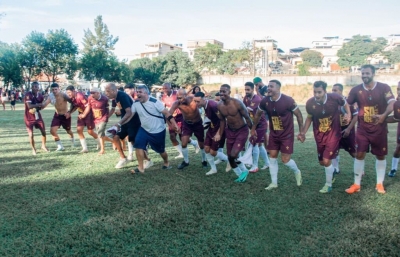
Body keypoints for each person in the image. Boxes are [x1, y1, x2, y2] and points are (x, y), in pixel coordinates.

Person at [345, 65, 395, 194]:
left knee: (380, 155)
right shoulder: (356, 90)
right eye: (362, 73)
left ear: (373, 74)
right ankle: (356, 184)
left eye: (367, 73)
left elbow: (392, 103)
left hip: (379, 129)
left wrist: (383, 116)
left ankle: (379, 184)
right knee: (360, 155)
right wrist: (348, 113)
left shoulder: (384, 87)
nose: (364, 76)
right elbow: (347, 102)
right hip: (362, 129)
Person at [251, 79, 304, 190]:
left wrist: (301, 131)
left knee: (285, 160)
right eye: (268, 86)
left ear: (278, 88)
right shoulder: (265, 101)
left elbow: (299, 115)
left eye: (271, 86)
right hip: (274, 134)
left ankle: (297, 172)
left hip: (287, 135)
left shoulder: (288, 100)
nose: (268, 88)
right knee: (272, 157)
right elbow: (257, 114)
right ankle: (274, 183)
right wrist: (253, 129)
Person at [300, 81, 350, 193]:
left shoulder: (335, 98)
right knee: (322, 162)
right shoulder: (310, 103)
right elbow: (309, 118)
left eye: (319, 92)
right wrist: (303, 132)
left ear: (325, 91)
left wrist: (348, 114)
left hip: (333, 134)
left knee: (327, 160)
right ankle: (331, 173)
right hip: (319, 136)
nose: (316, 95)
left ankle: (328, 185)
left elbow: (345, 103)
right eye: (315, 92)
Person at [129, 85, 179, 173]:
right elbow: (130, 115)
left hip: (158, 130)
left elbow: (167, 113)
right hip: (144, 129)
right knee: (138, 145)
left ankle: (166, 162)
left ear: (146, 93)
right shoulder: (136, 103)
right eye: (137, 92)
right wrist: (120, 123)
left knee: (160, 150)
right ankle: (141, 167)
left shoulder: (155, 102)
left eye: (140, 92)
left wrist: (174, 124)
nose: (138, 94)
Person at [215, 84, 253, 183]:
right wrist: (219, 133)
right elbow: (222, 121)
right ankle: (241, 174)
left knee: (233, 155)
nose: (222, 93)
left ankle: (244, 172)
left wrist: (253, 131)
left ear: (229, 92)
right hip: (230, 131)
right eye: (221, 91)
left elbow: (247, 118)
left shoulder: (237, 103)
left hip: (242, 130)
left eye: (224, 91)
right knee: (230, 157)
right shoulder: (219, 105)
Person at [104, 83, 141, 169]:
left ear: (113, 91)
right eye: (105, 91)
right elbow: (117, 109)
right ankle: (123, 158)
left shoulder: (122, 96)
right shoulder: (115, 98)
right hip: (125, 123)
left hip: (133, 122)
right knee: (116, 137)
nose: (106, 93)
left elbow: (129, 112)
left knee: (134, 142)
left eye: (108, 91)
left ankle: (147, 160)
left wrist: (119, 123)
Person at [169, 89, 206, 170]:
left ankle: (204, 160)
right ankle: (186, 161)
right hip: (187, 124)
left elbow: (204, 103)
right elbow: (168, 115)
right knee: (184, 143)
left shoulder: (193, 99)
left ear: (186, 95)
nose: (179, 100)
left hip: (198, 123)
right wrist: (174, 125)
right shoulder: (177, 103)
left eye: (181, 97)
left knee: (201, 144)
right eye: (178, 98)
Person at [194, 91, 229, 175]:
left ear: (204, 99)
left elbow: (223, 120)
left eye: (198, 101)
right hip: (211, 129)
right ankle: (213, 169)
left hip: (219, 129)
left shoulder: (213, 105)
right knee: (206, 149)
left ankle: (231, 160)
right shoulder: (205, 106)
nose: (196, 103)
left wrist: (218, 133)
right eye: (195, 101)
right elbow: (210, 119)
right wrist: (204, 125)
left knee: (213, 152)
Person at [331, 83, 358, 174]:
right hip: (335, 131)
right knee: (334, 150)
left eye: (335, 90)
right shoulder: (332, 103)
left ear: (341, 91)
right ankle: (335, 168)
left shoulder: (348, 103)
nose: (333, 92)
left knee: (352, 151)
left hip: (347, 131)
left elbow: (356, 116)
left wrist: (349, 129)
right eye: (332, 90)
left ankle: (359, 168)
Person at [243, 81, 270, 173]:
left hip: (260, 125)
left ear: (253, 89)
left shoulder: (257, 99)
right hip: (254, 124)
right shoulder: (246, 98)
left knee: (254, 143)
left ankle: (255, 166)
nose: (246, 91)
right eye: (245, 89)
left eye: (248, 89)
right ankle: (267, 163)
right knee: (260, 145)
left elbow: (245, 110)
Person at [161, 82, 191, 159]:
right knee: (172, 137)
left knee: (182, 137)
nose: (164, 90)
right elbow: (163, 108)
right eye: (163, 88)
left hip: (180, 117)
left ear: (170, 88)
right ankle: (181, 153)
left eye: (166, 88)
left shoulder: (177, 94)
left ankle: (194, 143)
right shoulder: (163, 97)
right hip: (171, 118)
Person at [41, 83, 75, 151]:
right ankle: (60, 146)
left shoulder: (63, 95)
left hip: (66, 116)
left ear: (59, 89)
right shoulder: (51, 96)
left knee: (68, 131)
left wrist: (69, 112)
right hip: (57, 115)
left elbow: (73, 103)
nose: (54, 91)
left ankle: (73, 142)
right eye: (53, 89)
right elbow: (45, 104)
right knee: (52, 131)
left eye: (56, 89)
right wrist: (37, 106)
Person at [80, 87, 113, 155]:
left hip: (103, 118)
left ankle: (102, 150)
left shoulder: (105, 99)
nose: (91, 94)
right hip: (95, 118)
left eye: (93, 93)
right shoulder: (90, 98)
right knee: (100, 134)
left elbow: (108, 109)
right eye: (91, 92)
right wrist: (84, 114)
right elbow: (88, 106)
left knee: (100, 133)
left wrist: (107, 117)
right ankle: (113, 141)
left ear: (98, 93)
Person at [66, 86, 99, 153]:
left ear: (74, 91)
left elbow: (88, 106)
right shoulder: (72, 98)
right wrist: (70, 112)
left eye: (69, 92)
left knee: (90, 132)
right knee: (79, 130)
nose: (68, 94)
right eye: (67, 93)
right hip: (81, 114)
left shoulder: (80, 96)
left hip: (89, 114)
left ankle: (100, 142)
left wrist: (84, 114)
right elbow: (75, 106)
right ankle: (85, 148)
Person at [24, 81, 49, 155]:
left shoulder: (40, 96)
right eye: (34, 86)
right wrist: (38, 105)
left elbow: (40, 107)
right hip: (29, 117)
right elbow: (29, 106)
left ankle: (43, 146)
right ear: (31, 87)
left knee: (43, 131)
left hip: (37, 116)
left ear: (39, 88)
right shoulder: (28, 94)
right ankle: (33, 149)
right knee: (31, 134)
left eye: (37, 87)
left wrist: (38, 107)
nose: (35, 88)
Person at [385, 81, 400, 177]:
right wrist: (382, 118)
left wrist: (382, 119)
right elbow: (396, 118)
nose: (399, 91)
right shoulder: (397, 101)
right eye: (398, 89)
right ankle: (393, 168)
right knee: (399, 148)